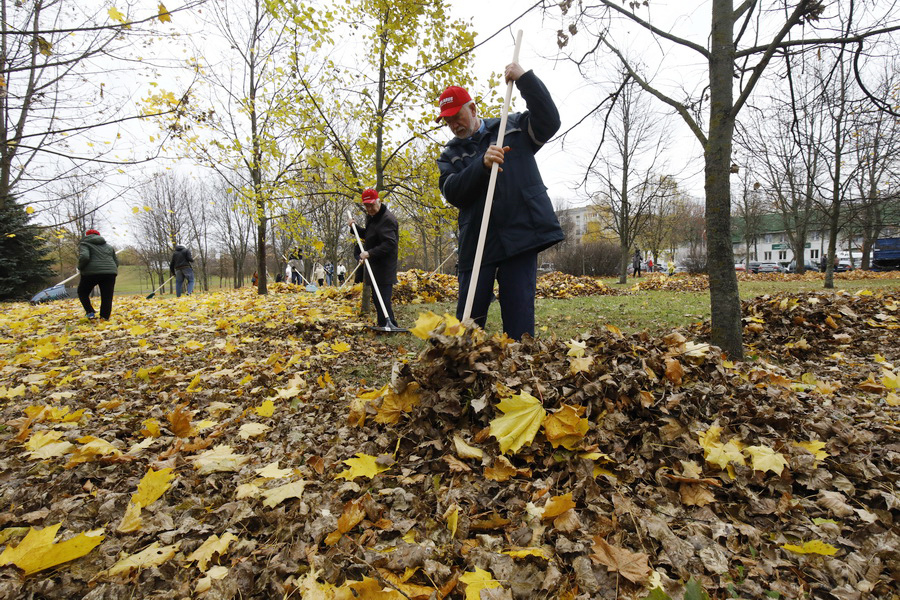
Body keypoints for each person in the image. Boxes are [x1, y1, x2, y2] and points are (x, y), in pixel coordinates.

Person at [436, 63, 563, 340]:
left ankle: (519, 370)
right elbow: (452, 192)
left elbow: (550, 121)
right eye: (447, 121)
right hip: (476, 243)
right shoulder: (450, 155)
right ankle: (464, 369)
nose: (453, 125)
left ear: (472, 109)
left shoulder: (513, 127)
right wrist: (480, 165)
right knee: (468, 320)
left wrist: (525, 80)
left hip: (520, 236)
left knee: (519, 319)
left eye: (456, 116)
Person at [348, 188, 399, 328]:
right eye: (366, 205)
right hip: (374, 265)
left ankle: (389, 325)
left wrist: (369, 253)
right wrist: (354, 228)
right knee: (377, 299)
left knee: (383, 299)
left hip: (385, 265)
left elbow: (390, 244)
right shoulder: (372, 217)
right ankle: (384, 325)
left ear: (379, 201)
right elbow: (369, 235)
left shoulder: (387, 219)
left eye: (372, 204)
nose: (369, 208)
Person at [77, 229, 118, 320]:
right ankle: (104, 317)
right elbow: (116, 261)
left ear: (87, 236)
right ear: (99, 235)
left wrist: (80, 267)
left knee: (82, 292)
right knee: (107, 296)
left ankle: (90, 312)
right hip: (110, 273)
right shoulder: (109, 247)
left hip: (90, 273)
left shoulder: (85, 244)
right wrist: (111, 270)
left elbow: (84, 257)